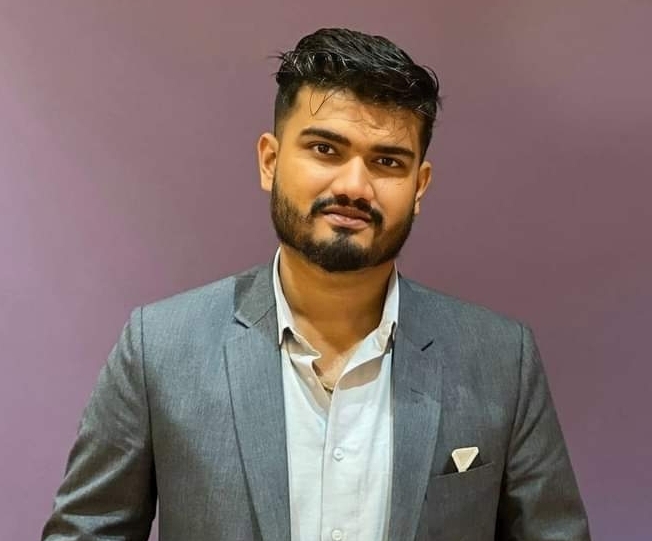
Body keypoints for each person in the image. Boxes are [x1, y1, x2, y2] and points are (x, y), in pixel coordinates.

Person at [42, 28, 590, 541]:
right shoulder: (160, 349)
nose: (354, 186)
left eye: (387, 161)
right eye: (325, 149)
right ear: (270, 161)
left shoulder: (500, 361)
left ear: (419, 186)